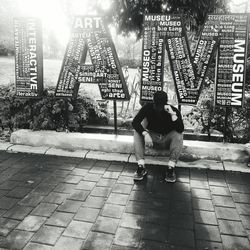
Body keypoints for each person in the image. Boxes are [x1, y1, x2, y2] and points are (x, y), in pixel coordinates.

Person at [132, 90, 184, 183]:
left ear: (165, 104)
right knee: (137, 132)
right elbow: (135, 122)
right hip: (152, 139)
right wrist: (145, 133)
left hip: (166, 141)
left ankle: (170, 168)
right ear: (154, 102)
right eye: (157, 105)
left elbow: (180, 129)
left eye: (161, 106)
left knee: (178, 135)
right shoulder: (148, 107)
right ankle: (141, 166)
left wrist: (172, 114)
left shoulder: (172, 110)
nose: (158, 108)